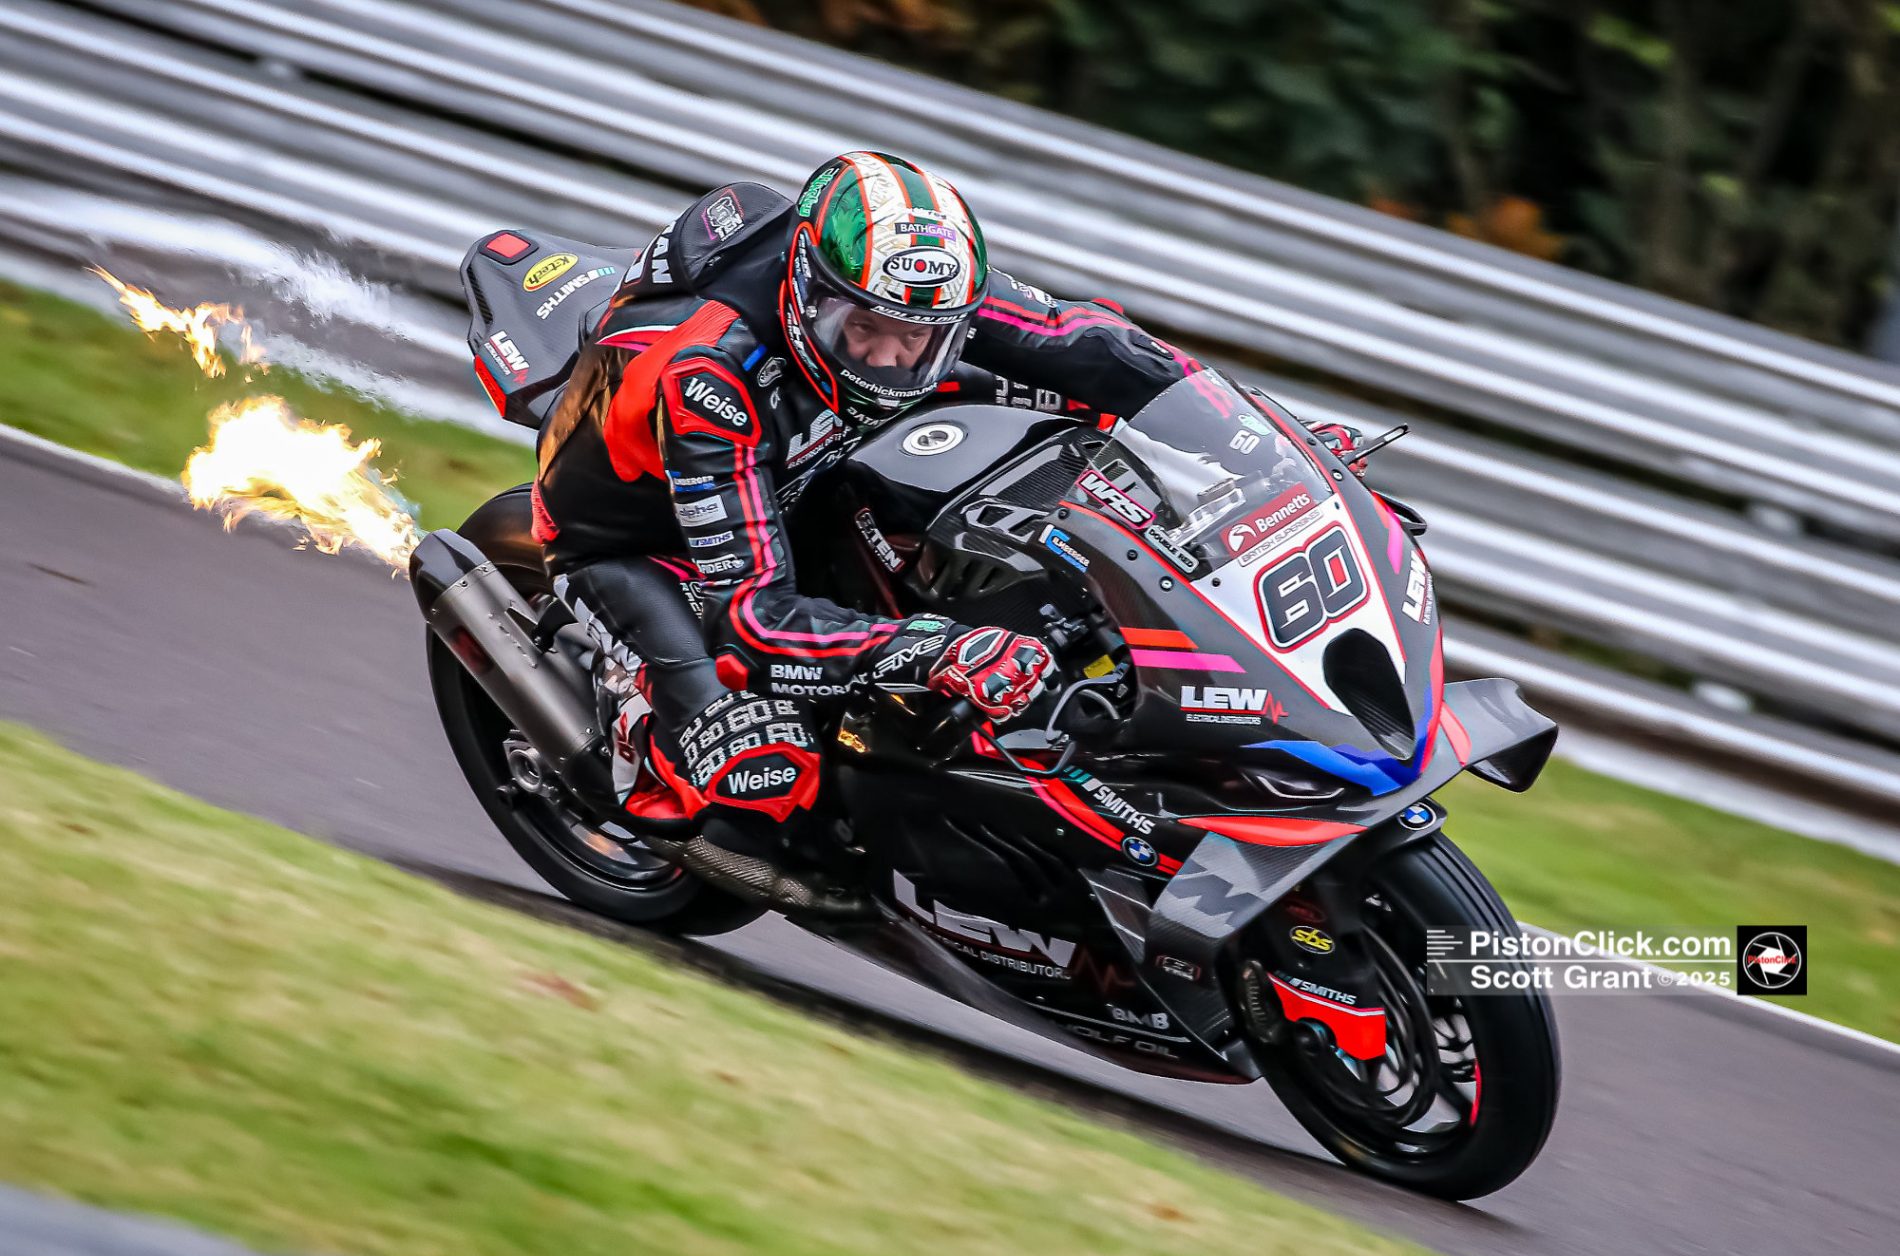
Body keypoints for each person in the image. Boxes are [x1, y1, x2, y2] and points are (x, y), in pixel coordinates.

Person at [531, 151, 1351, 844]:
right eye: (864, 331)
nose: (890, 356)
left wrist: (1265, 445)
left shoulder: (923, 297)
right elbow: (749, 616)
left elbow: (1097, 349)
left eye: (916, 338)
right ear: (808, 299)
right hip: (637, 530)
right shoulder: (712, 377)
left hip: (811, 458)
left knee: (1067, 425)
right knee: (759, 774)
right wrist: (941, 650)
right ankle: (639, 735)